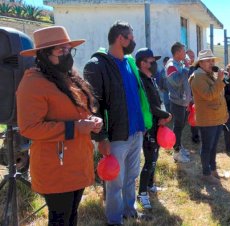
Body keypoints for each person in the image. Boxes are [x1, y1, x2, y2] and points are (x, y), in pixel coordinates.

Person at [17, 26, 102, 226]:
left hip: (77, 163)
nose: (67, 55)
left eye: (68, 50)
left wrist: (91, 121)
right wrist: (75, 127)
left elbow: (76, 112)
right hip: (56, 169)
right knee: (60, 220)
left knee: (72, 216)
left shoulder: (67, 77)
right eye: (60, 50)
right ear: (44, 55)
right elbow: (29, 128)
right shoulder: (33, 83)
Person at [84, 21, 152, 225]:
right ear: (120, 39)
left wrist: (143, 124)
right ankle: (114, 220)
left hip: (135, 132)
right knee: (115, 182)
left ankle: (129, 211)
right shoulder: (97, 65)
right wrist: (100, 137)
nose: (134, 42)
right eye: (131, 37)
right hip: (115, 137)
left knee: (131, 177)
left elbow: (138, 96)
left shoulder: (130, 62)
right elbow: (93, 105)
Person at [135, 48, 172, 210]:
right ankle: (142, 193)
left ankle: (150, 185)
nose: (154, 64)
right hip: (149, 126)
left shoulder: (151, 78)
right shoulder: (141, 80)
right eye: (151, 61)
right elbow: (150, 105)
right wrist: (166, 114)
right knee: (149, 160)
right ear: (142, 63)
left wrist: (163, 116)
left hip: (158, 123)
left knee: (155, 157)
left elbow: (158, 101)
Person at [189, 49, 228, 184]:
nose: (211, 63)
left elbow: (219, 96)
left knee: (213, 146)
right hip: (207, 119)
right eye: (208, 61)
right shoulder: (198, 77)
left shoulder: (209, 75)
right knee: (207, 147)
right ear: (200, 63)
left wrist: (224, 114)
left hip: (216, 117)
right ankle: (206, 173)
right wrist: (220, 80)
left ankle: (212, 170)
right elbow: (210, 95)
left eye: (212, 60)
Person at [165, 42, 192, 163]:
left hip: (183, 101)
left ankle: (179, 147)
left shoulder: (179, 63)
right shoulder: (171, 65)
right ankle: (176, 152)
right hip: (177, 102)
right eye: (183, 51)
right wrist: (186, 68)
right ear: (177, 53)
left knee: (181, 127)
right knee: (177, 127)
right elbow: (176, 82)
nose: (185, 53)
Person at [186, 49, 200, 143]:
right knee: (193, 117)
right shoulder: (184, 69)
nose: (192, 58)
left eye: (193, 56)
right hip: (190, 98)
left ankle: (199, 134)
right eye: (190, 56)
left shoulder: (196, 68)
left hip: (198, 97)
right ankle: (195, 136)